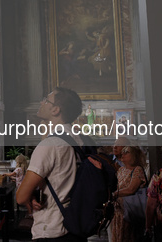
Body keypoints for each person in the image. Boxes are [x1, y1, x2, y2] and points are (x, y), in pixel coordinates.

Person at [16, 86, 101, 242]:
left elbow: (21, 197)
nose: (41, 102)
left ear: (55, 110)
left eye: (46, 100)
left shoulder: (50, 144)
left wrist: (28, 193)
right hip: (77, 227)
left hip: (52, 230)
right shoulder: (84, 140)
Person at [110, 146, 147, 242]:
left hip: (128, 212)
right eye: (122, 152)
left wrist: (114, 194)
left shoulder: (137, 169)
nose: (123, 154)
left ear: (134, 156)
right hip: (117, 211)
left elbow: (131, 189)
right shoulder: (121, 170)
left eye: (126, 152)